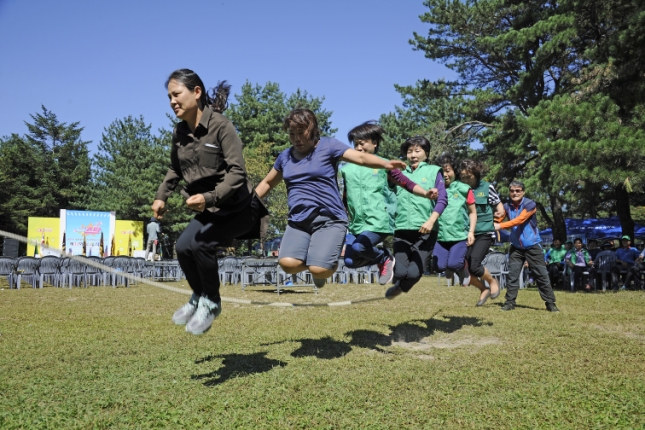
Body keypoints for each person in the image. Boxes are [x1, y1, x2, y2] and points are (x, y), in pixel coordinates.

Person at [152, 69, 268, 335]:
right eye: (169, 96)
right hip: (209, 209)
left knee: (202, 244)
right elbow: (174, 169)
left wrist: (208, 198)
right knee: (183, 247)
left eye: (176, 94)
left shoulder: (221, 126)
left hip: (239, 207)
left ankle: (212, 303)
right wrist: (161, 197)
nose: (172, 101)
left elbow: (238, 172)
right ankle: (199, 297)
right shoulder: (180, 131)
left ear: (196, 92)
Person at [255, 109, 407, 289]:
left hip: (329, 219)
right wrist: (248, 203)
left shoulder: (328, 146)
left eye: (301, 133)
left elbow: (359, 157)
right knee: (287, 264)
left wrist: (385, 164)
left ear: (312, 131)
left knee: (318, 269)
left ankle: (323, 267)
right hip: (298, 221)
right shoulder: (285, 157)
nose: (296, 139)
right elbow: (267, 182)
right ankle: (317, 265)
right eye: (292, 134)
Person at [342, 121, 437, 284]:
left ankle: (384, 257)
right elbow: (345, 196)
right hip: (357, 223)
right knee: (349, 261)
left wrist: (425, 193)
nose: (358, 148)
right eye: (356, 144)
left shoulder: (385, 165)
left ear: (374, 143)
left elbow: (406, 183)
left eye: (362, 143)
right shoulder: (346, 168)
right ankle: (381, 259)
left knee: (359, 247)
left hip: (378, 221)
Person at [385, 136, 448, 299]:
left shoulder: (434, 171)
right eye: (409, 151)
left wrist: (431, 220)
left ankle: (401, 287)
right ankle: (398, 281)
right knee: (399, 271)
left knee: (413, 274)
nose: (413, 154)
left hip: (425, 230)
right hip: (401, 229)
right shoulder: (398, 173)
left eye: (417, 151)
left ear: (426, 154)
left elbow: (442, 199)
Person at [494, 180, 559, 312]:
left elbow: (520, 220)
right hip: (516, 246)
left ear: (523, 192)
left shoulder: (530, 204)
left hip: (533, 245)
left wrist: (500, 226)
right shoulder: (507, 206)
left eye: (518, 190)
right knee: (512, 275)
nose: (515, 193)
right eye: (512, 191)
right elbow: (498, 218)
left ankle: (550, 303)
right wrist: (494, 220)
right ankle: (509, 302)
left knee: (541, 274)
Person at [458, 159, 504, 306]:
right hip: (466, 232)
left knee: (474, 264)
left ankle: (492, 281)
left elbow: (500, 208)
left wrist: (499, 215)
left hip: (484, 232)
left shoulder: (487, 187)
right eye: (463, 177)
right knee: (460, 266)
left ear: (476, 174)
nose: (465, 180)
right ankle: (483, 289)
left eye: (468, 176)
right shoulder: (459, 189)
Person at [430, 155, 477, 293]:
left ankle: (461, 268)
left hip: (459, 235)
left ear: (455, 172)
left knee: (454, 263)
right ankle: (452, 268)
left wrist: (471, 232)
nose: (445, 175)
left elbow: (473, 212)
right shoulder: (433, 189)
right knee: (438, 267)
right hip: (440, 236)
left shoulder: (464, 189)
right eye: (441, 172)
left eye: (448, 170)